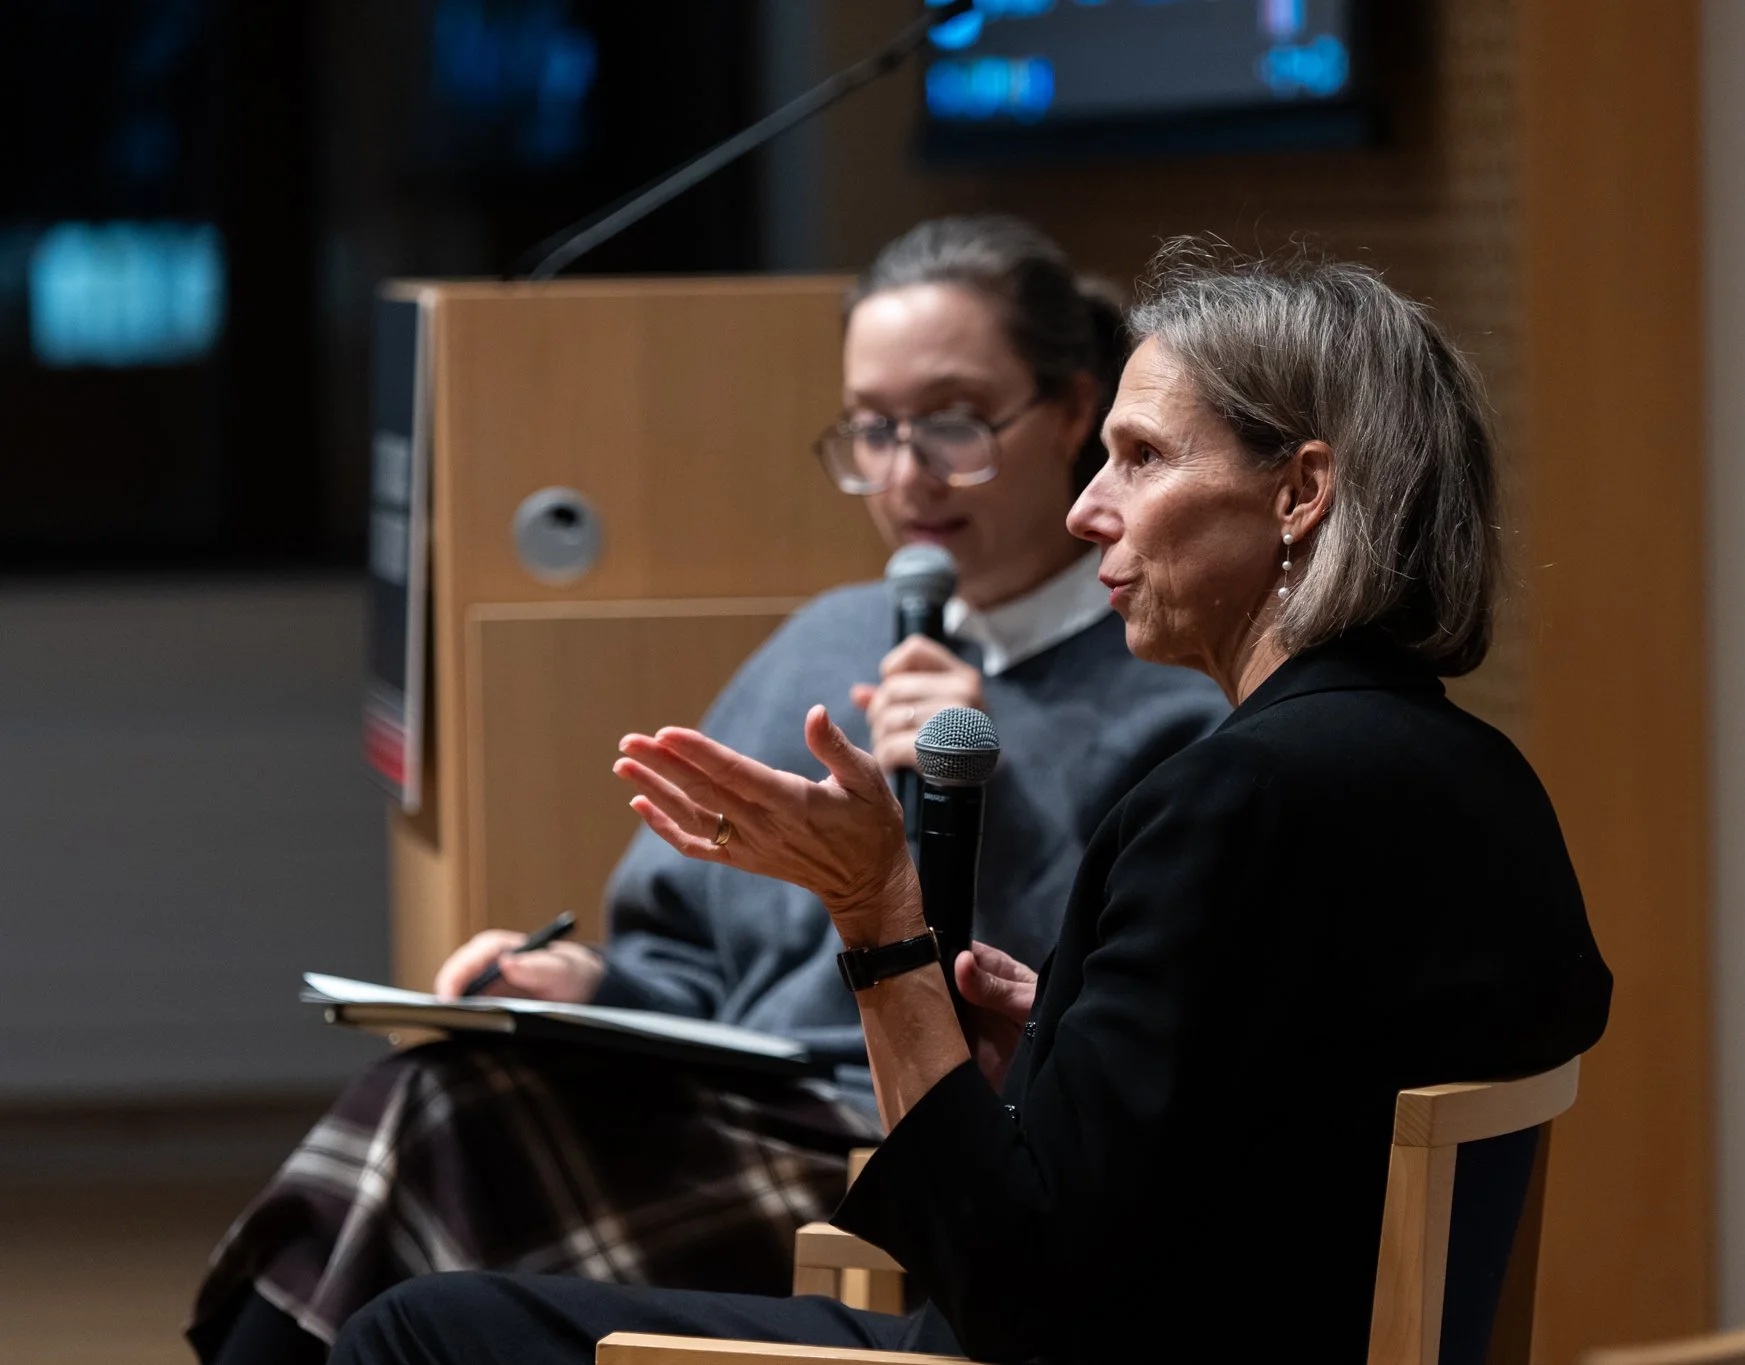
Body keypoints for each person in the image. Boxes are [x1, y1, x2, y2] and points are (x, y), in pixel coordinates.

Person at [328, 240, 1617, 1365]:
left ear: (1298, 493)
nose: (1086, 509)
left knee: (416, 1331)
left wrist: (874, 908)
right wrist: (1050, 1036)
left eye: (1139, 457)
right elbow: (1254, 1134)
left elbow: (1009, 1283)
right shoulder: (1481, 779)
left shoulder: (1236, 800)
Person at [187, 217, 1228, 1364]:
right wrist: (581, 979)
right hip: (720, 1098)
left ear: (1073, 412)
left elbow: (1084, 1025)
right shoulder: (828, 636)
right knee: (441, 1088)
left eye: (951, 423)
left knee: (437, 1131)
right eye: (871, 431)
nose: (904, 473)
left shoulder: (1166, 681)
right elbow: (685, 953)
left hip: (893, 1141)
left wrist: (986, 782)